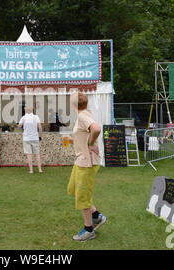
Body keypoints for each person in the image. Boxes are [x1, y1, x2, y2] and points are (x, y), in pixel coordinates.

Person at [66, 92, 107, 241]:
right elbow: (88, 132)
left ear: (73, 105)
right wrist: (77, 141)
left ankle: (89, 230)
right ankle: (97, 216)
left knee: (83, 197)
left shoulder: (83, 116)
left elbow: (96, 128)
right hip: (80, 160)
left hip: (87, 162)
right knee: (73, 189)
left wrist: (90, 143)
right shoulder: (84, 114)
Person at [17, 106, 43, 174]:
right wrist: (40, 136)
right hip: (35, 138)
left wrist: (18, 125)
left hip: (26, 138)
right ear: (32, 110)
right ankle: (40, 169)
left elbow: (19, 126)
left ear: (25, 111)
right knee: (37, 154)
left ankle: (31, 170)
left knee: (29, 155)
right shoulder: (36, 117)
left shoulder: (23, 117)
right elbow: (40, 127)